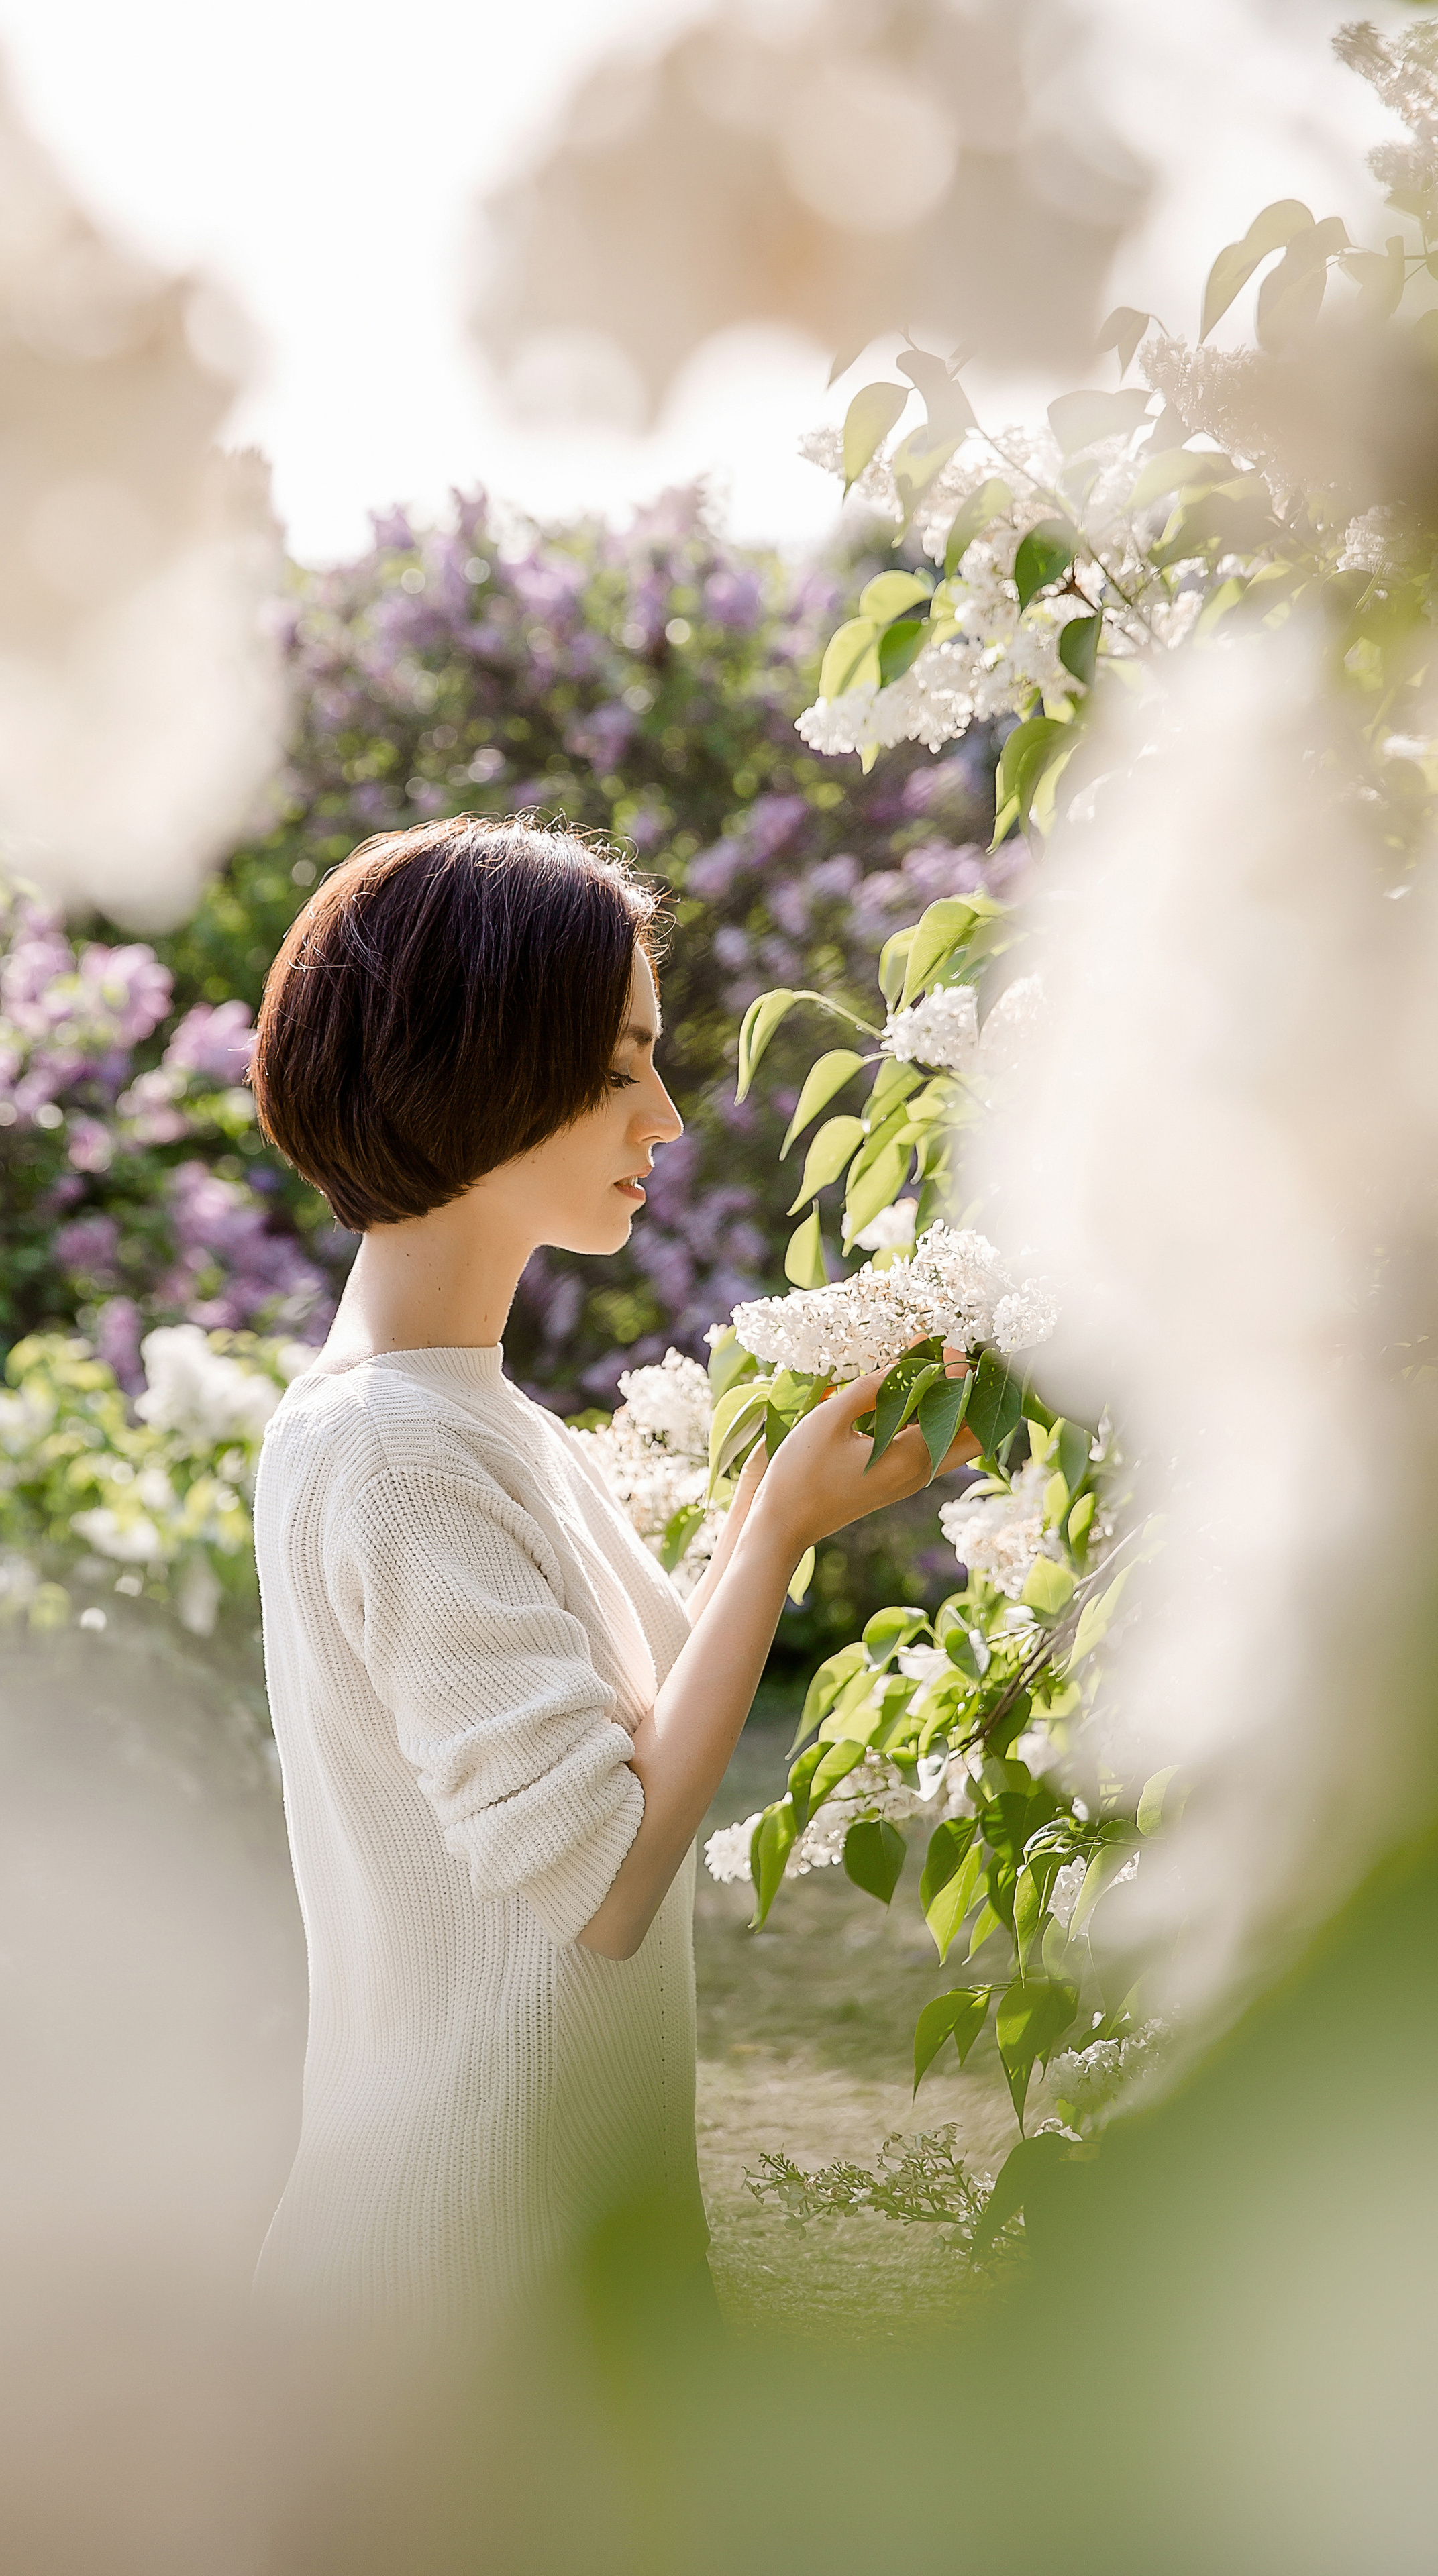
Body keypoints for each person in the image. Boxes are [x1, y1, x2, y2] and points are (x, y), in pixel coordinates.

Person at [248, 813, 976, 2344]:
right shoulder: (390, 1448)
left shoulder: (473, 1416)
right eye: (611, 1066)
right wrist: (771, 1535)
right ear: (471, 1070)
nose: (662, 1117)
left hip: (551, 2254)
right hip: (461, 2296)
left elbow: (620, 1733)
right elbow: (604, 1877)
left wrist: (798, 1498)